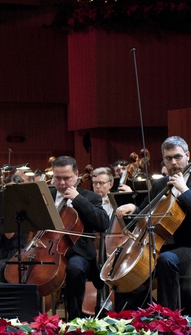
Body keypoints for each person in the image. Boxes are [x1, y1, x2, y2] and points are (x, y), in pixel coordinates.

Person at [115, 136, 191, 310]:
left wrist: (184, 190)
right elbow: (145, 210)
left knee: (166, 260)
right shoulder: (160, 184)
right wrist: (132, 207)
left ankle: (168, 316)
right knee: (124, 266)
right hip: (160, 245)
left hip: (188, 246)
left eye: (178, 157)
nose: (173, 162)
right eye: (168, 158)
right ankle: (130, 316)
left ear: (187, 155)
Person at [50, 156, 108, 320]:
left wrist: (78, 200)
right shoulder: (46, 195)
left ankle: (74, 320)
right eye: (57, 178)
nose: (62, 183)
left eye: (66, 178)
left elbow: (103, 223)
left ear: (76, 175)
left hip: (79, 253)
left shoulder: (90, 198)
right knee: (26, 267)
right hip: (49, 251)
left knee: (74, 269)